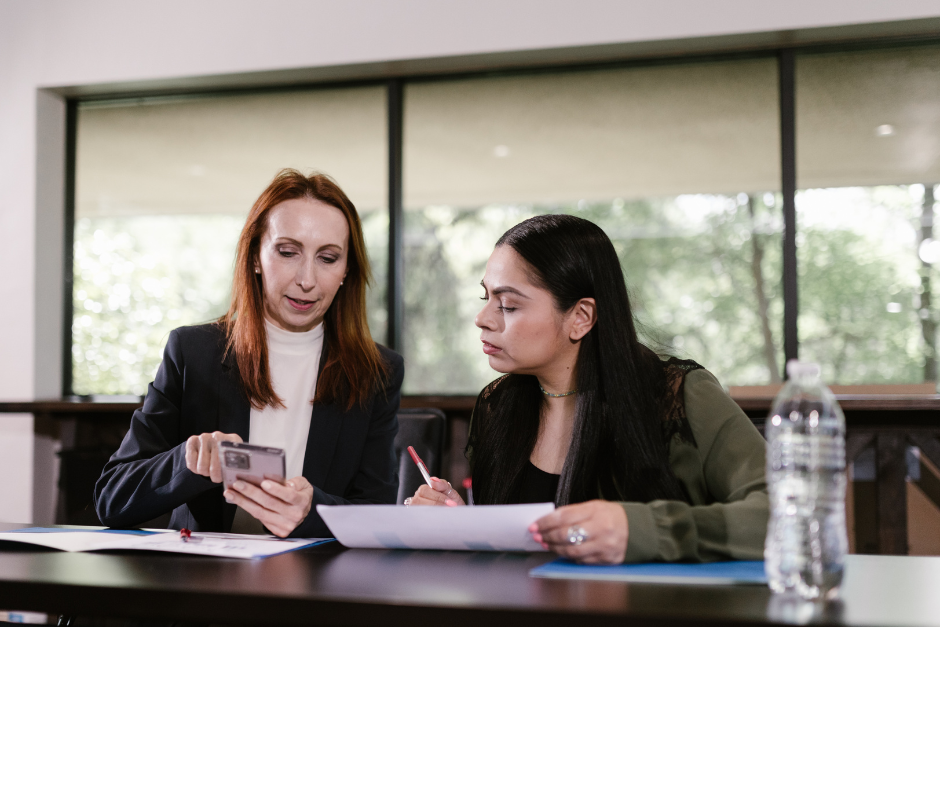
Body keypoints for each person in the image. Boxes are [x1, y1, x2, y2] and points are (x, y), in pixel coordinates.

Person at [407, 214, 768, 565]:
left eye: (509, 304)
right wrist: (461, 520)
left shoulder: (679, 394)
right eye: (485, 298)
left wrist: (642, 530)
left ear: (581, 317)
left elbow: (790, 512)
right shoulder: (497, 404)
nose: (482, 319)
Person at [95, 169, 403, 538]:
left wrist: (312, 511)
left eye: (328, 258)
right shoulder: (194, 353)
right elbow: (112, 499)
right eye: (288, 252)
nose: (306, 280)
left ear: (346, 270)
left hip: (315, 582)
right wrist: (187, 461)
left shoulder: (377, 371)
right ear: (256, 256)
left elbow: (378, 516)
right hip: (205, 581)